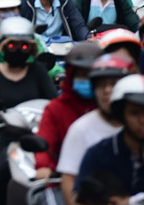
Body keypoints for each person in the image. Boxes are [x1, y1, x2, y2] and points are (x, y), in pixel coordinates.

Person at [0, 18, 57, 205]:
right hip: (10, 139)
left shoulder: (38, 72)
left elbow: (54, 102)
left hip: (41, 138)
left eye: (24, 46)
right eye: (12, 45)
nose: (18, 50)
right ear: (2, 46)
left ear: (31, 48)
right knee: (8, 169)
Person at [55, 53, 134, 205]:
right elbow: (68, 181)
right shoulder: (80, 129)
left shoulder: (142, 126)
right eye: (101, 85)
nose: (107, 90)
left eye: (113, 84)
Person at [77, 74, 144, 195]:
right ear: (121, 115)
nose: (143, 120)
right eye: (134, 113)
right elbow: (80, 201)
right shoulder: (98, 155)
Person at [33, 41, 101, 179]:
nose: (87, 80)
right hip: (61, 179)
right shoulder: (56, 109)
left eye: (91, 75)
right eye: (81, 75)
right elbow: (44, 144)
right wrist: (43, 166)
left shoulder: (110, 107)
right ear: (70, 76)